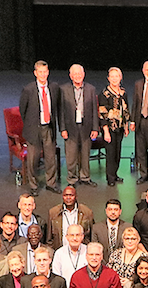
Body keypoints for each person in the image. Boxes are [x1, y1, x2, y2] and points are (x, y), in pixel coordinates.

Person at [20, 60, 60, 194]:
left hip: (48, 127)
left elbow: (57, 108)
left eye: (45, 72)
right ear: (35, 73)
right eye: (40, 72)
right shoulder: (28, 89)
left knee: (50, 157)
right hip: (34, 129)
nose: (43, 75)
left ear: (48, 72)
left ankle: (51, 183)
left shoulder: (54, 88)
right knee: (33, 159)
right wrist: (31, 124)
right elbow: (23, 110)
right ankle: (33, 186)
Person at [60, 63, 99, 187]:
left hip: (86, 126)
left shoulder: (91, 89)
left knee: (85, 153)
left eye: (80, 74)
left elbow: (94, 109)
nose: (78, 76)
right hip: (70, 127)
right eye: (75, 74)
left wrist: (95, 128)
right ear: (71, 76)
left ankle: (85, 177)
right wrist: (62, 128)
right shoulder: (63, 89)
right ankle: (72, 179)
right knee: (71, 155)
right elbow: (61, 111)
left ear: (84, 75)